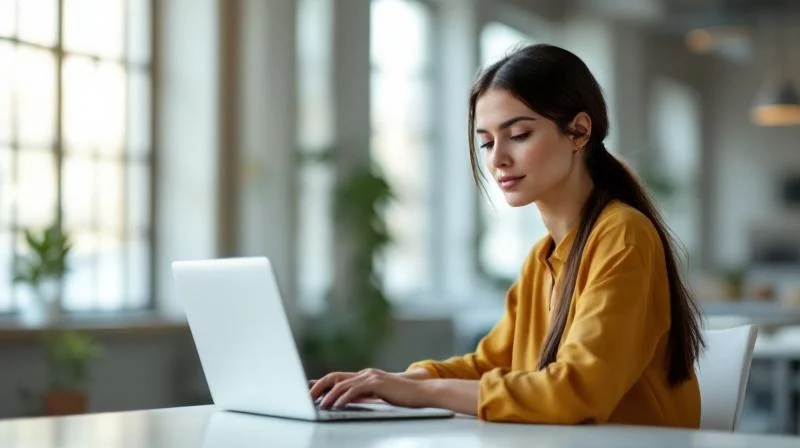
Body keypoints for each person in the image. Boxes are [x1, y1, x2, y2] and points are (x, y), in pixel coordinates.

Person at [309, 43, 704, 427]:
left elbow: (577, 392)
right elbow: (491, 364)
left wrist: (423, 393)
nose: (497, 159)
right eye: (486, 141)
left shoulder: (623, 236)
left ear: (579, 132)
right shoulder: (542, 258)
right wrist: (386, 383)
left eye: (517, 135)